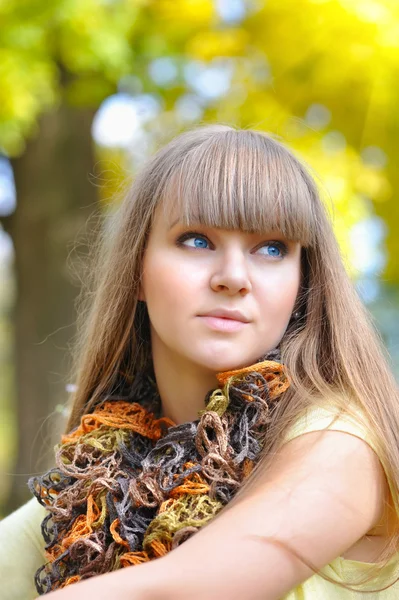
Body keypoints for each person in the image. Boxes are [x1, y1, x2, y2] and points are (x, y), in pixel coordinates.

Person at [1, 124, 399, 600]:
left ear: (302, 285)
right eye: (196, 240)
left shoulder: (343, 440)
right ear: (138, 272)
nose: (233, 277)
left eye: (272, 248)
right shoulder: (101, 476)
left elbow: (180, 591)